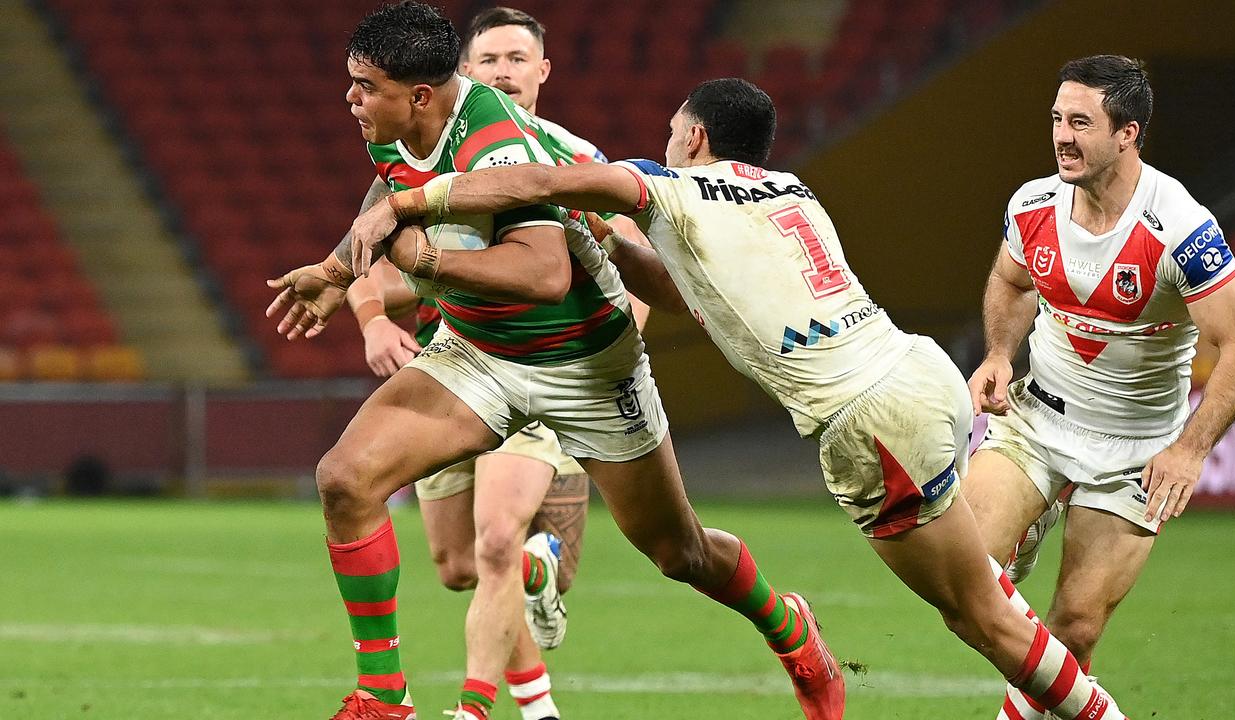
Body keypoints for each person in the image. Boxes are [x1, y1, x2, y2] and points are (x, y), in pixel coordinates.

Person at [346, 76, 1139, 720]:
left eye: (669, 132)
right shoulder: (789, 189)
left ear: (693, 140)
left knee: (982, 619)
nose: (661, 145)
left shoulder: (675, 190)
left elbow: (550, 177)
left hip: (869, 421)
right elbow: (683, 286)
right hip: (914, 373)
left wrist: (409, 204)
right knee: (983, 592)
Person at [265, 4, 843, 719]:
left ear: (420, 94)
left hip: (585, 365)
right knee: (346, 481)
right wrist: (336, 271)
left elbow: (544, 274)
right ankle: (385, 699)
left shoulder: (504, 147)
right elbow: (392, 189)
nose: (350, 98)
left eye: (363, 85)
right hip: (479, 353)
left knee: (680, 553)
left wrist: (422, 260)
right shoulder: (397, 120)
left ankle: (789, 626)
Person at [342, 9, 652, 718]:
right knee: (458, 566)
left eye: (519, 58)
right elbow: (372, 247)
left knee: (496, 539)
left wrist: (614, 359)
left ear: (543, 72)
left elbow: (627, 261)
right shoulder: (417, 141)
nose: (503, 71)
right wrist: (369, 317)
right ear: (458, 77)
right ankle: (535, 610)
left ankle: (484, 708)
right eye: (489, 60)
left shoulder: (567, 155)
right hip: (457, 358)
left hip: (549, 362)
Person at [961, 55, 1235, 719]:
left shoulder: (1180, 227)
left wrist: (1189, 451)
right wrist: (997, 354)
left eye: (1080, 122)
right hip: (1036, 423)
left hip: (1134, 450)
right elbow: (1011, 283)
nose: (1061, 137)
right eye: (1056, 120)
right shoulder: (1034, 204)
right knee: (960, 575)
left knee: (1074, 630)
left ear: (1128, 134)